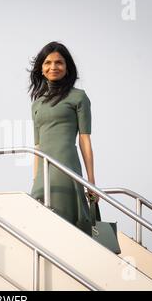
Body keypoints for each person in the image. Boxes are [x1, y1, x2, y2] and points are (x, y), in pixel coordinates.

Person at [29, 41, 97, 236]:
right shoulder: (37, 104)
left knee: (67, 222)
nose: (53, 67)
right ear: (41, 69)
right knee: (41, 221)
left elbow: (85, 140)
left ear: (67, 67)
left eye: (59, 62)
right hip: (43, 171)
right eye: (48, 62)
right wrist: (35, 179)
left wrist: (91, 180)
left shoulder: (78, 97)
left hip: (67, 166)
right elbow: (37, 146)